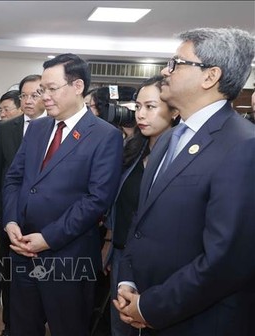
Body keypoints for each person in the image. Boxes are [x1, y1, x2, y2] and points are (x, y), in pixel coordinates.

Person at [114, 27, 255, 336]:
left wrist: (151, 307)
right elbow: (141, 221)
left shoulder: (243, 146)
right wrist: (127, 280)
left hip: (198, 321)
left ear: (210, 76)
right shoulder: (169, 139)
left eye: (177, 63)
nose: (166, 70)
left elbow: (226, 260)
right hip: (145, 303)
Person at [2, 53, 123, 336]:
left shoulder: (105, 135)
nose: (45, 96)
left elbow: (97, 199)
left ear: (77, 86)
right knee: (22, 327)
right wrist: (10, 222)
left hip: (68, 259)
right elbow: (15, 179)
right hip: (22, 252)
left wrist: (47, 239)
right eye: (43, 89)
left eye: (51, 89)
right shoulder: (37, 128)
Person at [102, 76, 179, 336]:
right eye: (137, 107)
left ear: (175, 110)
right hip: (123, 256)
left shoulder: (183, 158)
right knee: (120, 325)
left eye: (150, 106)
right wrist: (111, 244)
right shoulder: (132, 150)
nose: (141, 115)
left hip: (161, 262)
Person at [0, 74, 46, 336]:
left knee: (43, 279)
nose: (29, 100)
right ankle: (10, 326)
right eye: (24, 95)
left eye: (35, 94)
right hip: (10, 217)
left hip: (44, 221)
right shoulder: (6, 128)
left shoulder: (57, 128)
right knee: (8, 277)